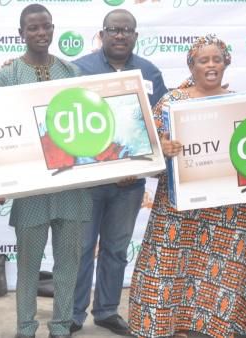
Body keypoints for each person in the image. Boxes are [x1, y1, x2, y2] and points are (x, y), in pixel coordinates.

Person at [127, 35, 246, 338]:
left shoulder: (240, 104)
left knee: (221, 270)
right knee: (174, 265)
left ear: (226, 62)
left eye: (217, 59)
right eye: (203, 60)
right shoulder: (171, 102)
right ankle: (171, 325)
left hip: (229, 208)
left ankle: (216, 326)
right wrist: (162, 148)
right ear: (191, 65)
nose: (211, 65)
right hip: (180, 207)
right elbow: (145, 149)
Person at [69, 9, 166, 336]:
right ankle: (73, 313)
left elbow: (158, 124)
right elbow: (65, 122)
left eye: (127, 30)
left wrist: (140, 167)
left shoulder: (149, 73)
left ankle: (107, 310)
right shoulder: (79, 70)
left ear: (135, 36)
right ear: (102, 34)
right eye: (114, 30)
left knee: (115, 248)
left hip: (128, 184)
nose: (120, 35)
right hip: (88, 181)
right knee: (81, 249)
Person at [0, 5, 88, 338]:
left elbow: (85, 126)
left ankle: (61, 328)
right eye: (32, 28)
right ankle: (25, 329)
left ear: (53, 29)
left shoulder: (71, 71)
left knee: (67, 266)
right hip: (31, 188)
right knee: (28, 268)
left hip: (70, 186)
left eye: (45, 27)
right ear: (21, 33)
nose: (40, 33)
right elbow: (0, 131)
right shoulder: (7, 75)